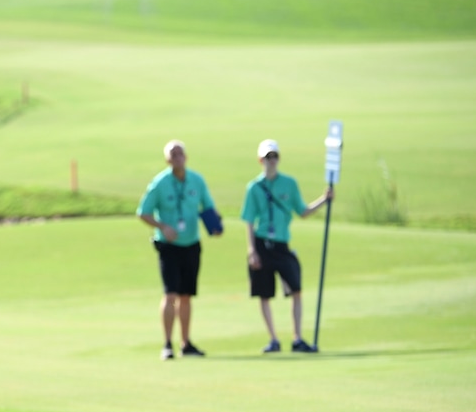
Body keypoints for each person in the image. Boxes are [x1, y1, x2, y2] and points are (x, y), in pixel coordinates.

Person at [241, 139, 333, 354]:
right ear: (260, 160)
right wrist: (251, 249)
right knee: (264, 293)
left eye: (274, 157)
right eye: (267, 157)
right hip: (262, 243)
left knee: (296, 289)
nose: (271, 161)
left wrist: (324, 200)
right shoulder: (253, 188)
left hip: (282, 244)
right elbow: (248, 220)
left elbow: (302, 211)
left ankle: (297, 338)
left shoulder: (289, 184)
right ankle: (273, 339)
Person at [137, 139, 222, 360]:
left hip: (191, 243)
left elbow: (208, 207)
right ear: (167, 159)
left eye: (180, 153)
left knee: (186, 296)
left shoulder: (196, 180)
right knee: (170, 294)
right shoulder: (160, 183)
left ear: (186, 156)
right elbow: (143, 212)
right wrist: (162, 226)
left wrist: (215, 225)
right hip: (169, 246)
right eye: (173, 154)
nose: (177, 157)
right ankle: (167, 343)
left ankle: (186, 343)